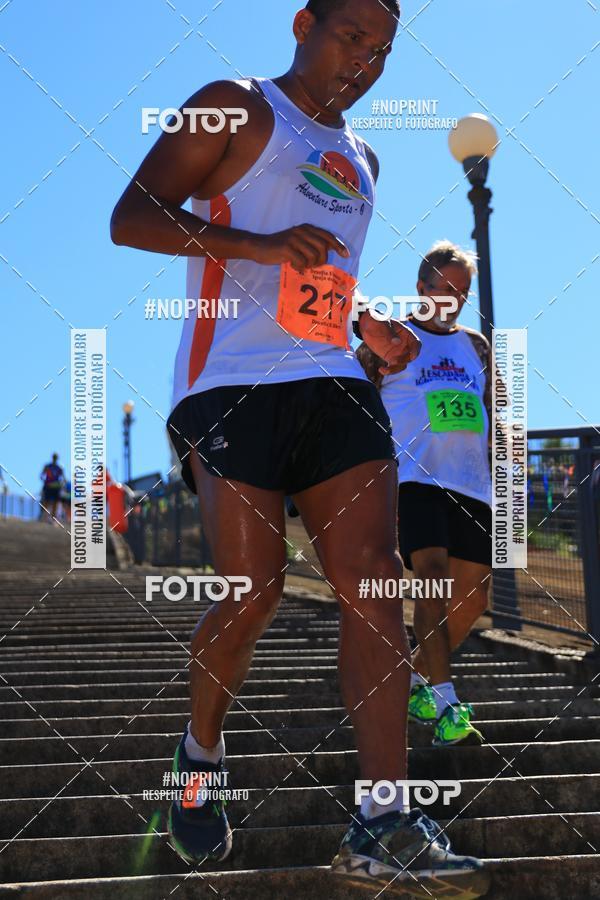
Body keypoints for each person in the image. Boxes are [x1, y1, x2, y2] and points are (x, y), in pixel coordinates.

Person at [111, 3, 490, 896]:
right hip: (228, 384)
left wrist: (368, 333)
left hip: (333, 383)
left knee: (377, 581)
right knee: (254, 595)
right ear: (303, 22)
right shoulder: (234, 105)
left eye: (383, 49)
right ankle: (199, 755)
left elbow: (319, 279)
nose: (366, 59)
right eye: (352, 34)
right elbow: (131, 216)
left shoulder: (366, 156)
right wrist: (256, 243)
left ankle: (385, 820)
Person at [357, 240, 492, 748]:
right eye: (445, 288)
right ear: (420, 288)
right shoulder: (390, 341)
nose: (454, 298)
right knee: (432, 579)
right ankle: (447, 704)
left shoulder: (477, 345)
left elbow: (491, 409)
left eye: (463, 291)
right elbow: (354, 404)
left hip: (472, 483)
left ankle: (413, 681)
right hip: (415, 479)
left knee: (473, 598)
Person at [40, 453, 64, 524]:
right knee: (46, 502)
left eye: (56, 457)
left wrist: (61, 484)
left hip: (56, 488)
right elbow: (41, 475)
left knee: (55, 503)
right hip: (48, 487)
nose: (55, 458)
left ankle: (53, 519)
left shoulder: (60, 467)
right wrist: (45, 482)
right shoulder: (47, 466)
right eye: (54, 457)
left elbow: (62, 478)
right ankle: (44, 517)